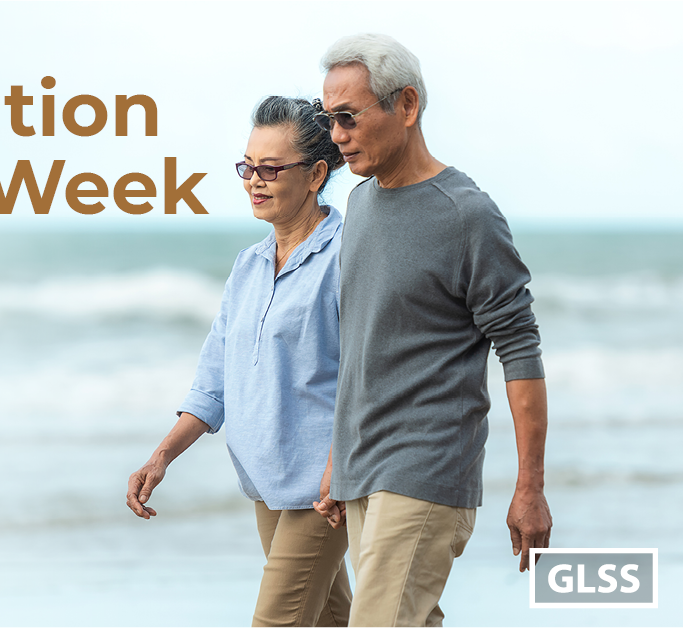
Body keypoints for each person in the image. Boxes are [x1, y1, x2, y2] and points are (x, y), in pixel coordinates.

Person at [309, 34, 553, 627]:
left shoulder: (466, 214)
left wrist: (530, 488)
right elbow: (365, 341)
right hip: (366, 467)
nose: (336, 135)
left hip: (426, 470)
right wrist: (340, 457)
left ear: (407, 106)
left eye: (348, 117)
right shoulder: (361, 204)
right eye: (328, 119)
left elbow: (518, 348)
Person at [126, 97, 351, 627]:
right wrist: (161, 457)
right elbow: (214, 382)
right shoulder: (247, 267)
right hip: (265, 484)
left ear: (316, 174)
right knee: (329, 621)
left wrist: (338, 468)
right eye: (247, 167)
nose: (255, 179)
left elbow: (367, 375)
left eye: (271, 168)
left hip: (322, 490)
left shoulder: (347, 257)